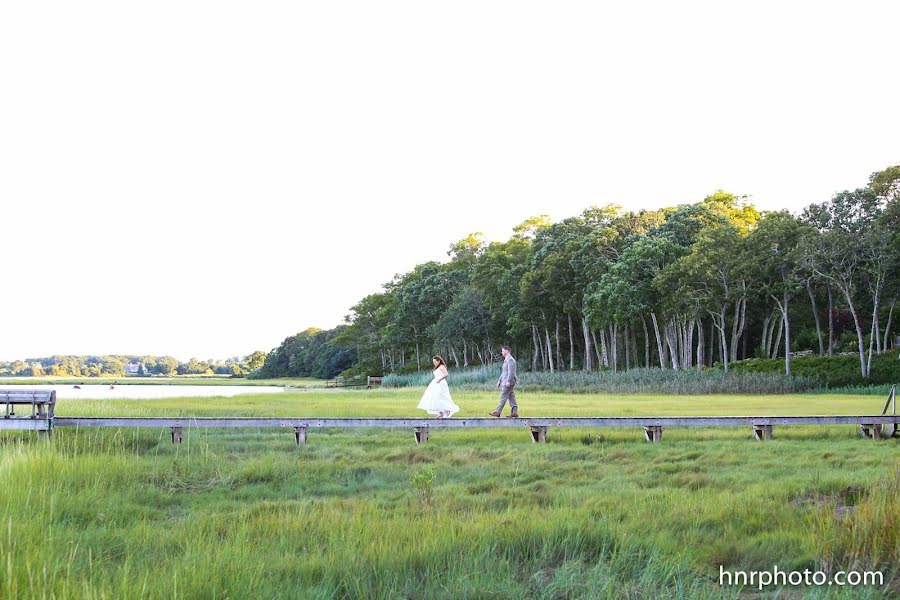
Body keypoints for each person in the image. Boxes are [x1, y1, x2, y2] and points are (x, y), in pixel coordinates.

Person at [489, 345, 518, 418]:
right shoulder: (506, 360)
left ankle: (498, 412)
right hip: (505, 381)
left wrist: (508, 381)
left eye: (502, 350)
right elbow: (504, 372)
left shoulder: (510, 360)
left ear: (507, 351)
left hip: (508, 382)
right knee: (511, 397)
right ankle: (514, 412)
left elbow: (511, 372)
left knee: (503, 396)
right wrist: (499, 381)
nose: (502, 352)